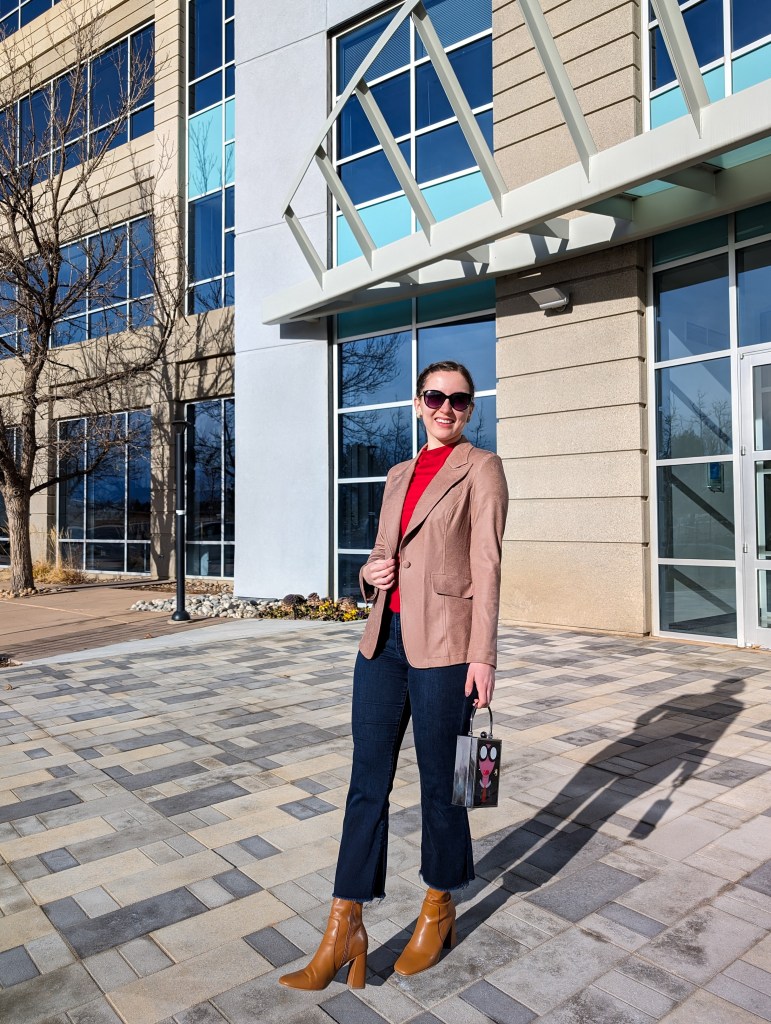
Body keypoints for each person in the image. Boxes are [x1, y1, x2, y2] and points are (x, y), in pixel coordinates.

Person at [280, 360, 508, 991]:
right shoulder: (398, 473)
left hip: (446, 647)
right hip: (382, 644)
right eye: (436, 397)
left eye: (460, 401)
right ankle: (344, 925)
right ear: (417, 403)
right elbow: (384, 551)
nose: (447, 409)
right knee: (366, 784)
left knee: (444, 782)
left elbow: (487, 565)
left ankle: (438, 909)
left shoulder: (481, 468)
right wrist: (369, 572)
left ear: (470, 409)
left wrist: (484, 654)